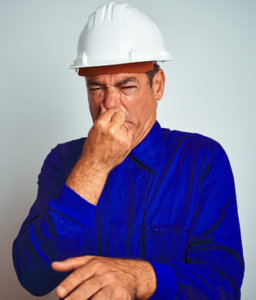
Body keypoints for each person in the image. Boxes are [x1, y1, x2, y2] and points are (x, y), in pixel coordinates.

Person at [13, 2, 244, 299]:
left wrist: (140, 278)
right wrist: (93, 165)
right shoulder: (62, 161)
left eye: (126, 86)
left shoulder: (203, 160)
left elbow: (224, 286)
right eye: (96, 87)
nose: (108, 104)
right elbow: (33, 276)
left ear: (157, 86)